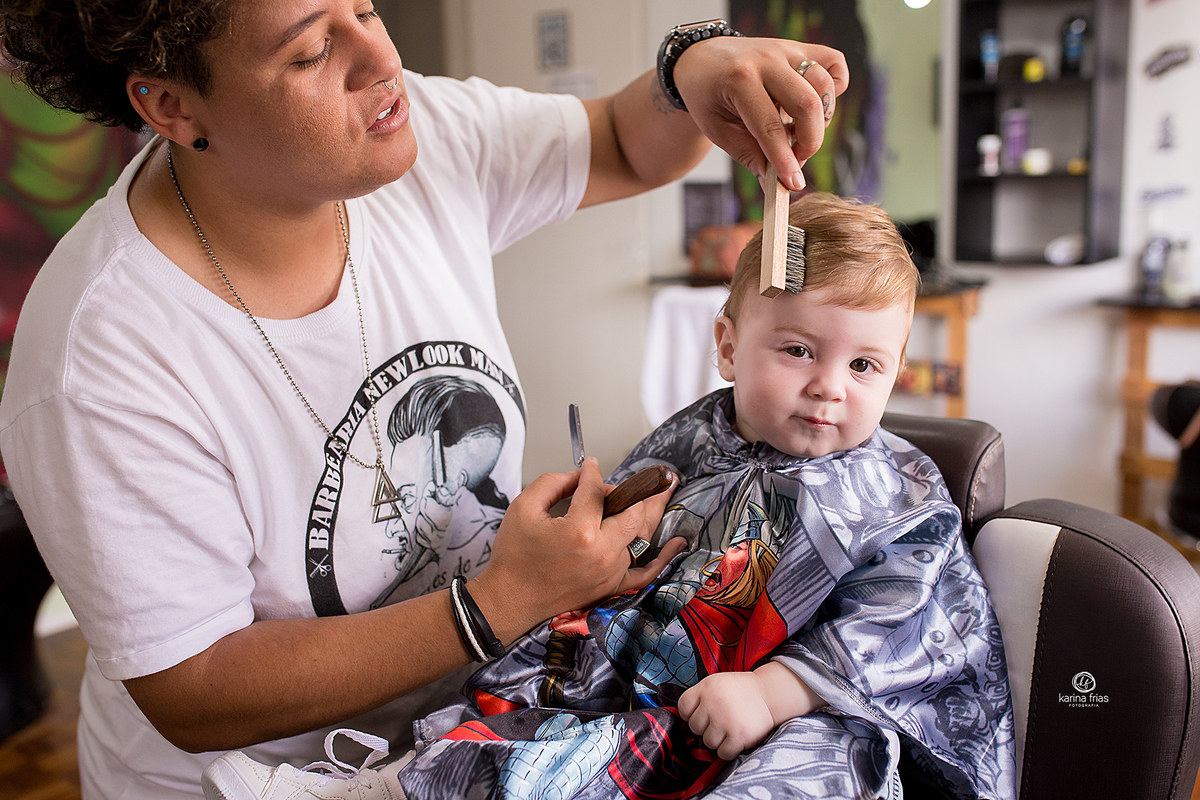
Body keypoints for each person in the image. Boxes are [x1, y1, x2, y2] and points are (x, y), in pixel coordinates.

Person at [0, 2, 849, 797]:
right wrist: (504, 601)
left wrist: (691, 63)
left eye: (364, 8)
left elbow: (630, 144)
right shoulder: (101, 356)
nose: (380, 57)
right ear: (172, 106)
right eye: (310, 49)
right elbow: (195, 691)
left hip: (466, 743)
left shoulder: (418, 130)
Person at [203, 193, 1016, 800]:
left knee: (809, 776)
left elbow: (911, 628)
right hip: (650, 662)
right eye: (798, 349)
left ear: (897, 370)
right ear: (729, 346)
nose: (828, 388)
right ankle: (400, 784)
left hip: (802, 706)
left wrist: (778, 692)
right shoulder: (699, 432)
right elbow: (640, 519)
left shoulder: (899, 497)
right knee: (533, 691)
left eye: (864, 366)